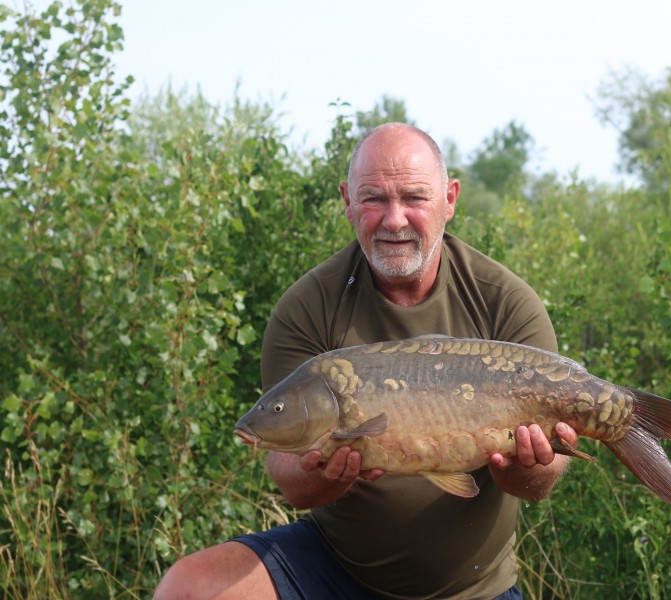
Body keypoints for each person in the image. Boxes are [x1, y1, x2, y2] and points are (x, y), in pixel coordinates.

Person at [154, 123, 578, 600]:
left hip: (474, 588)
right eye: (374, 198)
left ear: (450, 198)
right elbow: (292, 483)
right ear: (347, 200)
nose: (394, 219)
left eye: (414, 197)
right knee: (189, 588)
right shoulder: (308, 306)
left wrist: (522, 465)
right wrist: (326, 472)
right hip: (336, 570)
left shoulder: (506, 302)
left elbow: (536, 485)